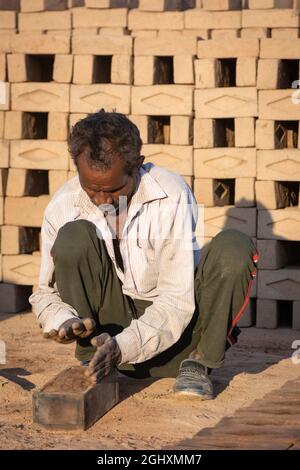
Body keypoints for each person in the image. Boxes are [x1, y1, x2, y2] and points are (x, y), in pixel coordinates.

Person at [29, 110, 259, 399]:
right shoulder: (63, 205)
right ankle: (93, 361)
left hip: (181, 337)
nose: (102, 201)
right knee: (73, 237)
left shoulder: (170, 193)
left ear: (136, 164)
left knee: (234, 248)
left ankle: (199, 363)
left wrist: (124, 346)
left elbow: (177, 299)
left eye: (114, 189)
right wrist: (63, 319)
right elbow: (44, 293)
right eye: (91, 189)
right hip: (107, 339)